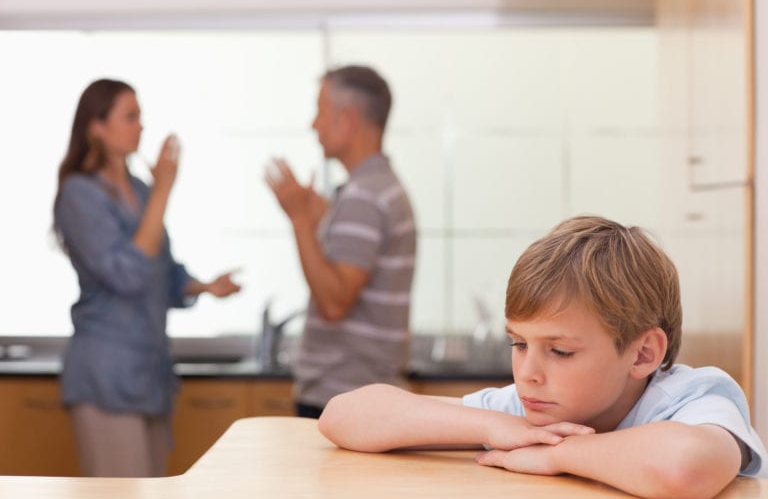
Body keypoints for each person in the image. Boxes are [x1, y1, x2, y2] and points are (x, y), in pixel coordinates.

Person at [319, 215, 768, 499]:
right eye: (518, 344)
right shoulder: (526, 411)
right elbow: (344, 414)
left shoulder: (692, 398)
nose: (528, 373)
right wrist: (492, 425)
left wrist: (558, 455)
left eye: (559, 351)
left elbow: (684, 468)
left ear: (643, 353)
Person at [53, 78, 241, 477]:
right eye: (130, 116)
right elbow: (128, 276)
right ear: (97, 126)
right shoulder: (80, 195)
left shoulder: (139, 189)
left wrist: (206, 286)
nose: (141, 126)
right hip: (107, 374)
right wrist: (163, 192)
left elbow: (162, 275)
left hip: (150, 373)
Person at [265, 65, 416, 419]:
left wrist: (300, 219)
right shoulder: (381, 188)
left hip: (342, 395)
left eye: (319, 111)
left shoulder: (363, 196)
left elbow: (334, 303)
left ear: (347, 119)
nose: (312, 125)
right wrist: (323, 218)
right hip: (362, 394)